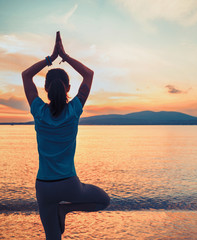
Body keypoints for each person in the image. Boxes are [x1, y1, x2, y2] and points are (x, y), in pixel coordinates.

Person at [22, 32, 110, 240]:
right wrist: (65, 56)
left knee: (53, 238)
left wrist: (50, 59)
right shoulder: (74, 111)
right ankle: (66, 210)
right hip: (70, 185)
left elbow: (25, 76)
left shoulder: (38, 111)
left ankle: (61, 212)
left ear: (45, 89)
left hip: (44, 186)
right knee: (103, 200)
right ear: (69, 88)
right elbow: (89, 75)